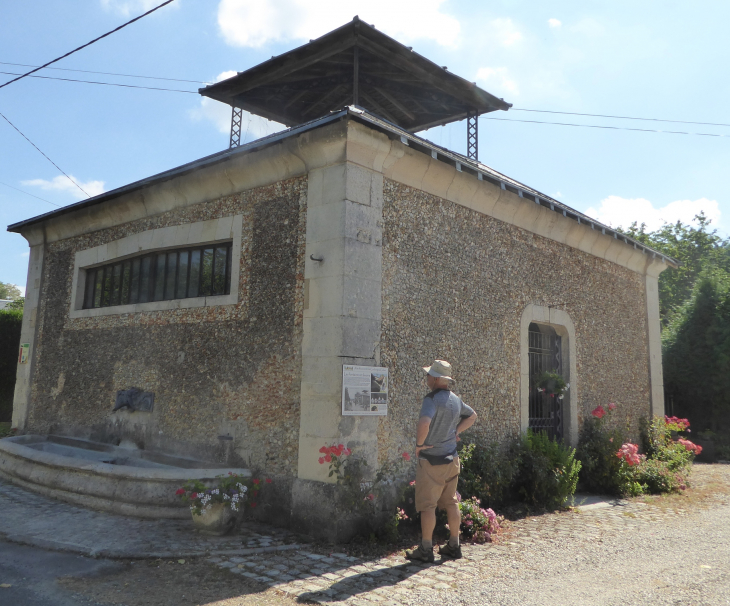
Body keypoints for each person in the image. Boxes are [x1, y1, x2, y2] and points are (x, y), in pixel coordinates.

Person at [405, 359, 477, 562]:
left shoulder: (431, 399)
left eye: (429, 375)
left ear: (436, 379)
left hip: (432, 461)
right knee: (451, 501)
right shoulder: (455, 399)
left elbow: (424, 422)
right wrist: (456, 431)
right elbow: (472, 416)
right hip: (452, 459)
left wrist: (419, 445)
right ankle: (454, 545)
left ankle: (426, 549)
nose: (426, 378)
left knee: (428, 505)